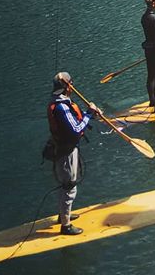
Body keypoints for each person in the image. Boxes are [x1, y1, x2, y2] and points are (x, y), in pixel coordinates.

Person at [47, 71, 100, 235]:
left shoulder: (61, 102)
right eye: (71, 83)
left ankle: (63, 215)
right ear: (67, 86)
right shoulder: (61, 107)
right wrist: (89, 114)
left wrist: (87, 113)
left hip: (67, 148)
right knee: (69, 186)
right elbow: (76, 129)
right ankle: (66, 225)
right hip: (65, 151)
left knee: (67, 184)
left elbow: (75, 122)